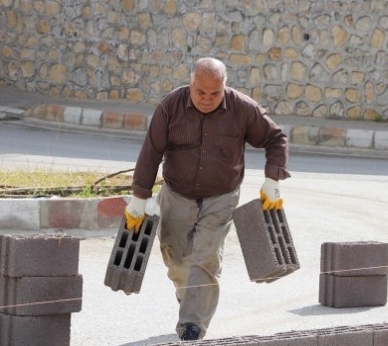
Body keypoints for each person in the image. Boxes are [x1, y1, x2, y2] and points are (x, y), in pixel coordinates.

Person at [124, 57, 290, 341]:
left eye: (214, 93)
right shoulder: (170, 106)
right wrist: (140, 196)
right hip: (176, 194)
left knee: (206, 257)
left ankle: (193, 324)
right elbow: (151, 150)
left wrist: (272, 181)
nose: (207, 99)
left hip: (221, 197)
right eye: (200, 92)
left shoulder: (243, 108)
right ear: (191, 83)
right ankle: (189, 296)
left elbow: (276, 138)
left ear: (224, 86)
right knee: (175, 259)